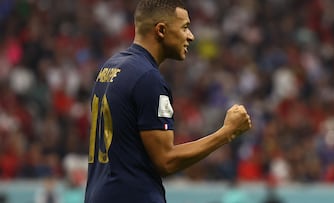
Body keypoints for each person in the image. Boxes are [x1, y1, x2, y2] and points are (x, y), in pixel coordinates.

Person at [84, 0, 252, 202]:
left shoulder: (110, 68)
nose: (191, 36)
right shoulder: (147, 78)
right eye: (185, 27)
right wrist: (227, 132)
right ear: (161, 30)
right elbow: (166, 161)